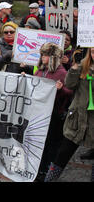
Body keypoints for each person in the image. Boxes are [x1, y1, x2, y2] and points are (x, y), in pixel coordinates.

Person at [44, 47, 94, 182]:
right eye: (93, 52)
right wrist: (75, 67)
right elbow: (70, 84)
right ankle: (49, 179)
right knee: (63, 154)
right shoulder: (83, 67)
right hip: (78, 120)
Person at [34, 43, 73, 182]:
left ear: (52, 57)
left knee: (51, 144)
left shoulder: (61, 72)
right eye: (42, 54)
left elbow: (70, 91)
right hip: (41, 113)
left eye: (45, 55)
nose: (43, 57)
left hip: (55, 114)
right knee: (42, 143)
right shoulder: (40, 70)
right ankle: (40, 169)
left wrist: (61, 89)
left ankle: (47, 172)